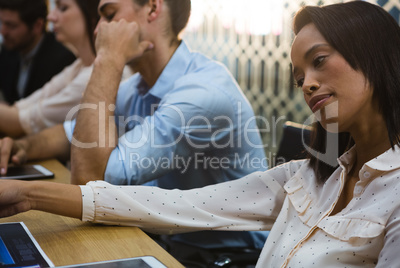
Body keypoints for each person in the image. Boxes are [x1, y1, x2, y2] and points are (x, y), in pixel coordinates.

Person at [0, 1, 400, 267]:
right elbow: (173, 204)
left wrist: (108, 58)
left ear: (373, 53)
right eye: (300, 78)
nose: (308, 85)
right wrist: (26, 193)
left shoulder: (204, 92)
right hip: (170, 243)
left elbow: (97, 177)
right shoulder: (309, 175)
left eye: (319, 62)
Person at [0, 0, 269, 264]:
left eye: (109, 14)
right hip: (165, 241)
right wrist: (24, 148)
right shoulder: (138, 85)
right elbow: (69, 134)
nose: (98, 31)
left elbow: (90, 183)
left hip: (225, 259)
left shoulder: (203, 94)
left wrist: (109, 58)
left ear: (153, 8)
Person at [0, 0, 100, 138]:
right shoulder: (79, 66)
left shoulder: (91, 75)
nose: (51, 17)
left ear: (92, 15)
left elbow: (25, 122)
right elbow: (22, 107)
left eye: (63, 8)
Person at [0, 0, 76, 104]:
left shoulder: (62, 59)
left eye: (11, 26)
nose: (3, 31)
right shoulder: (8, 50)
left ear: (37, 26)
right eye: (1, 23)